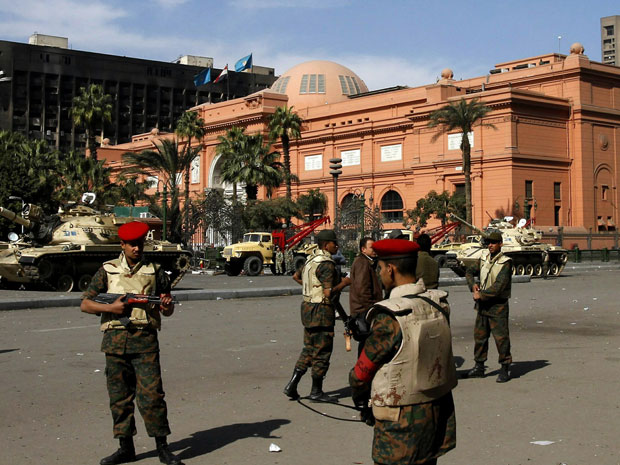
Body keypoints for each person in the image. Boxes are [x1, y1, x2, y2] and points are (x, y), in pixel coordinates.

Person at [80, 221, 182, 465]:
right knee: (120, 398)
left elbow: (166, 309)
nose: (137, 248)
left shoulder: (155, 271)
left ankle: (162, 447)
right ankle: (125, 447)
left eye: (140, 243)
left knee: (152, 396)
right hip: (114, 342)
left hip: (144, 340)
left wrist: (166, 307)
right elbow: (85, 303)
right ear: (122, 245)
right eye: (132, 244)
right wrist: (112, 307)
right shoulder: (108, 270)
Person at [349, 239, 457, 465]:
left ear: (391, 269)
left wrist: (362, 400)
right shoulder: (438, 303)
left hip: (401, 422)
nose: (379, 274)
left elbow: (361, 374)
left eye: (380, 269)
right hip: (437, 412)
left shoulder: (390, 316)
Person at [283, 229, 351, 401]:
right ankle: (316, 391)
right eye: (334, 243)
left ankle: (292, 384)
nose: (337, 246)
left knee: (308, 348)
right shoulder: (326, 264)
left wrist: (312, 288)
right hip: (321, 312)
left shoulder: (310, 260)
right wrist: (344, 283)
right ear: (326, 245)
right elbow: (329, 293)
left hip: (307, 309)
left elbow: (296, 277)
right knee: (322, 351)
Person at [465, 230, 513, 383]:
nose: (490, 245)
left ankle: (505, 367)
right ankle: (479, 366)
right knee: (480, 337)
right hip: (483, 306)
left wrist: (482, 295)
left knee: (501, 338)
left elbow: (499, 286)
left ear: (500, 244)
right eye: (488, 243)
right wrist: (473, 286)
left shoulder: (506, 262)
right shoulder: (483, 258)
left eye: (493, 243)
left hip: (497, 306)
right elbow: (469, 272)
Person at [348, 237, 382, 355]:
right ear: (363, 249)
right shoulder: (362, 263)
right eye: (371, 247)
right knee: (367, 343)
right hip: (363, 311)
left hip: (362, 310)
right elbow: (363, 290)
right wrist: (371, 309)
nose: (374, 250)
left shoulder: (368, 262)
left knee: (367, 343)